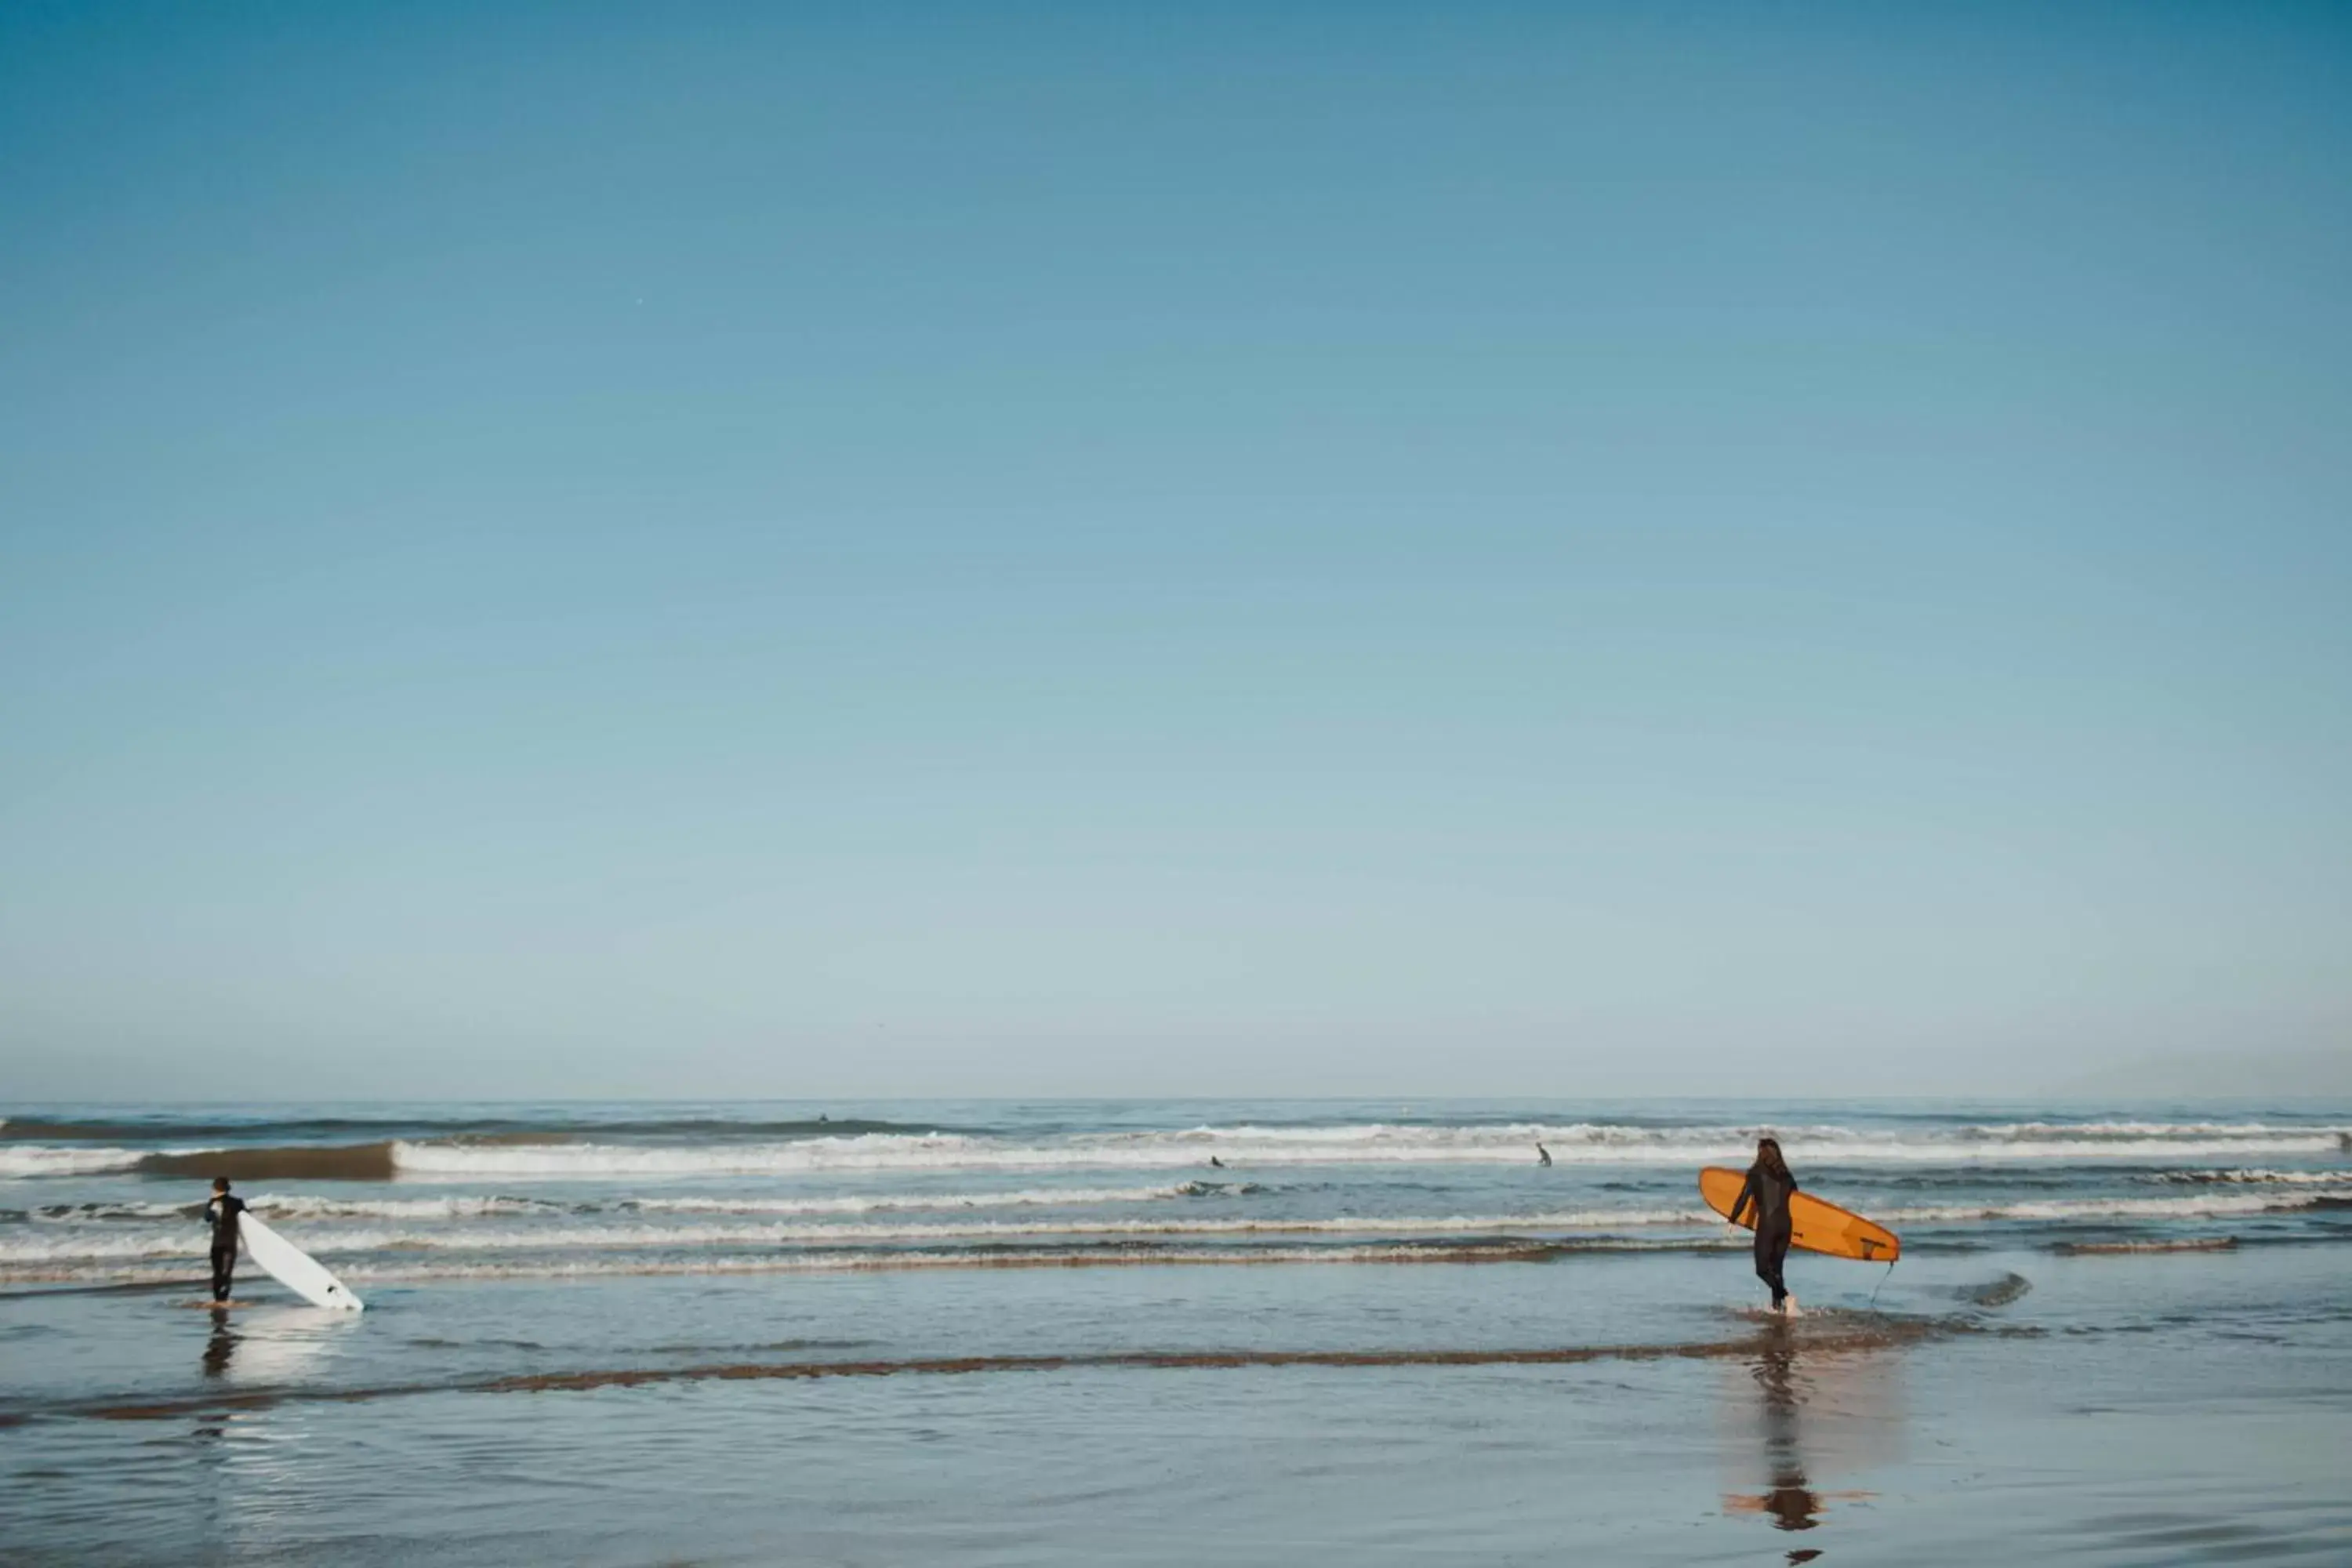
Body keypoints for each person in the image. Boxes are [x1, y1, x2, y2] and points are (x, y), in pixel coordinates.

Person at [1728, 1138, 1798, 1316]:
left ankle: (1786, 1295)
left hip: (1768, 1225)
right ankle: (1779, 1309)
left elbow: (1744, 1198)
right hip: (1786, 1226)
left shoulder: (1755, 1173)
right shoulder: (1787, 1175)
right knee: (1777, 1269)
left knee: (1762, 1269)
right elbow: (1799, 1202)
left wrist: (1732, 1219)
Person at [201, 1178, 247, 1303]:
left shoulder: (212, 1203)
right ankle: (224, 1298)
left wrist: (213, 1206)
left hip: (216, 1243)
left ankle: (217, 1300)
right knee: (227, 1273)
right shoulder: (237, 1202)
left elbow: (207, 1218)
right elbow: (247, 1218)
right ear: (228, 1188)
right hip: (230, 1243)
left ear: (214, 1189)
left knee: (217, 1273)